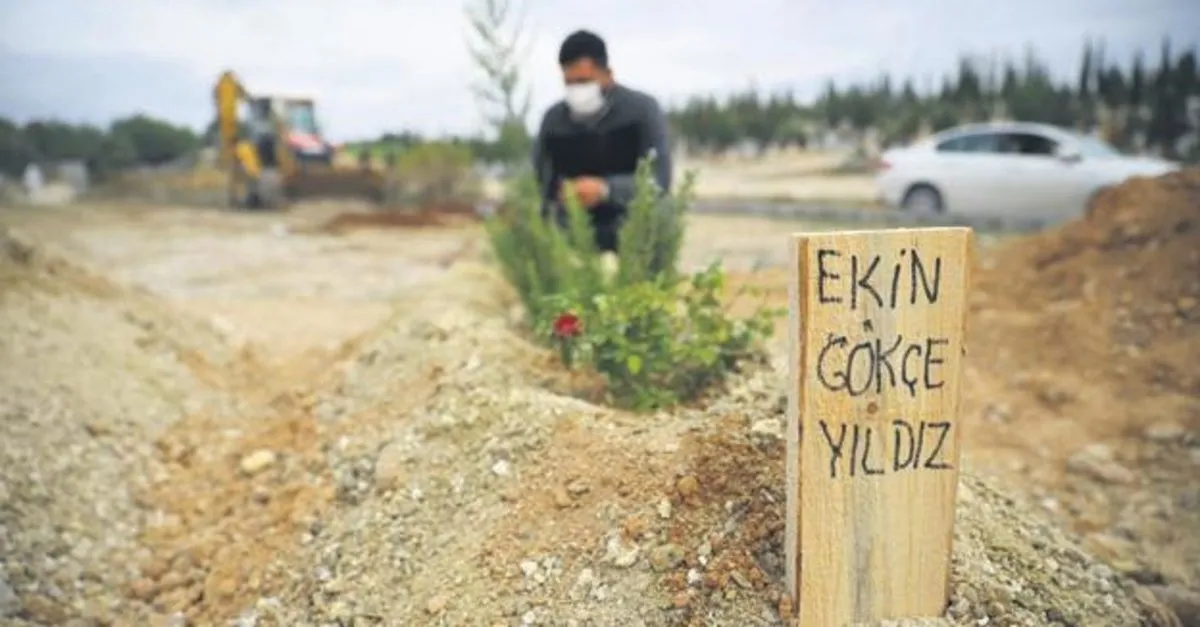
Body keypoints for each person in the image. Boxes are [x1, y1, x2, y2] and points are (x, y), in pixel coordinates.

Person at [531, 30, 673, 253]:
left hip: (634, 241)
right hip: (573, 245)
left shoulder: (642, 111)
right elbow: (540, 184)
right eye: (569, 83)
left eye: (584, 81)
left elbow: (659, 181)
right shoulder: (553, 121)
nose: (577, 90)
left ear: (608, 74)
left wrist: (606, 190)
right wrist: (561, 196)